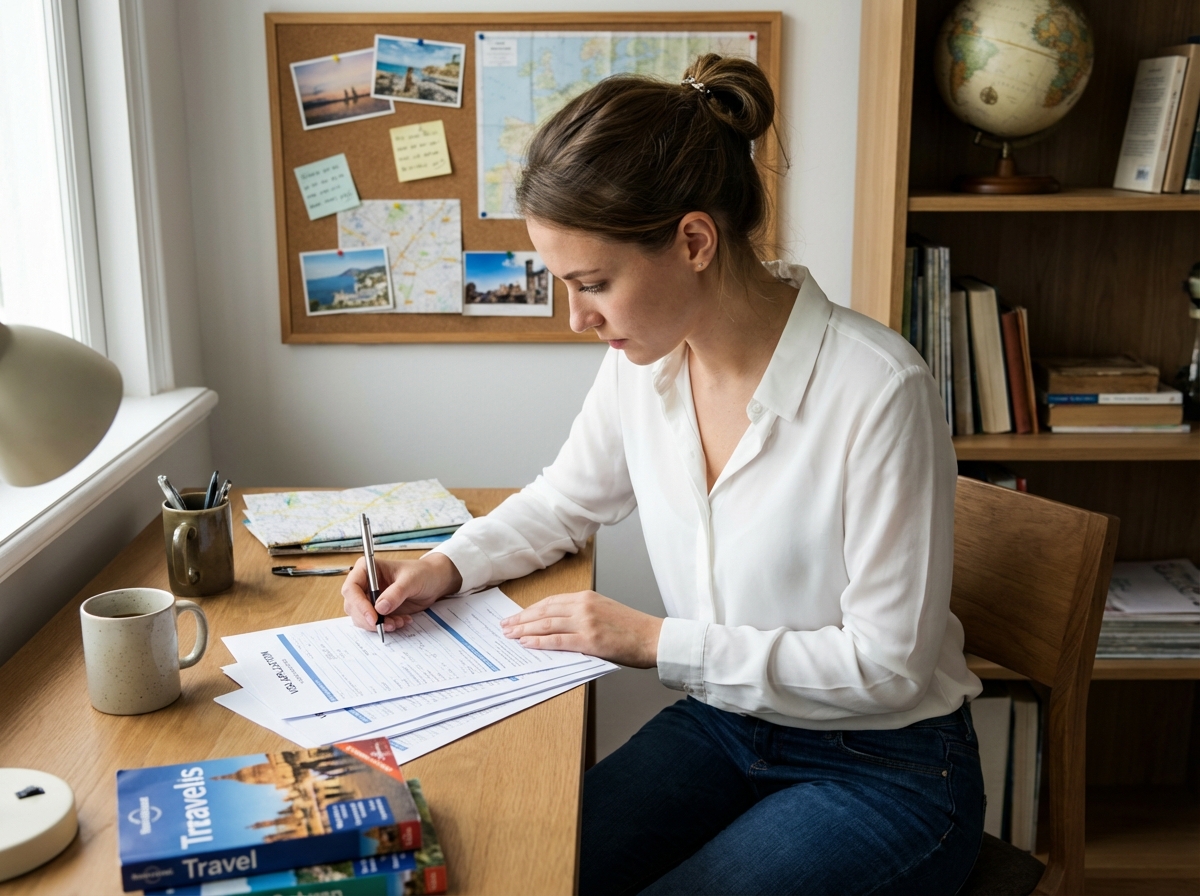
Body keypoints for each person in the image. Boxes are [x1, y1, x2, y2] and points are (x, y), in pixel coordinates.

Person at [342, 54, 985, 896]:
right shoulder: (644, 363)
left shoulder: (878, 389)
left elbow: (887, 667)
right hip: (728, 727)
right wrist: (443, 566)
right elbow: (568, 499)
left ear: (692, 241)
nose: (578, 318)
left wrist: (652, 641)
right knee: (527, 875)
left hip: (887, 767)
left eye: (595, 284)